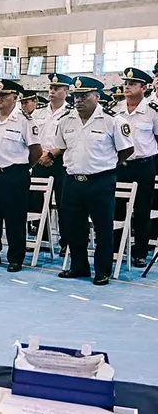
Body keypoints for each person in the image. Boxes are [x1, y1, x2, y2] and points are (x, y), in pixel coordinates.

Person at [54, 76, 134, 285]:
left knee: (103, 228)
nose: (78, 100)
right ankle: (79, 267)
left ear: (97, 97)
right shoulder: (65, 121)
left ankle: (102, 271)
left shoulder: (112, 121)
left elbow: (126, 149)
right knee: (73, 227)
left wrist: (108, 166)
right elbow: (62, 147)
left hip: (100, 181)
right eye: (76, 96)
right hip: (72, 181)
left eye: (84, 96)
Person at [0, 79, 42, 272]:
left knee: (15, 218)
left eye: (4, 95)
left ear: (15, 97)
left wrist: (20, 169)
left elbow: (36, 151)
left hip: (14, 174)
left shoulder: (24, 121)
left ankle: (15, 258)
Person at [115, 67, 158, 267]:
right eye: (126, 83)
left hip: (143, 166)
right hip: (121, 166)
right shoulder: (116, 110)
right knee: (116, 209)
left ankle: (139, 252)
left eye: (132, 84)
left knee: (142, 210)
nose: (127, 87)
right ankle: (115, 248)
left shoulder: (152, 111)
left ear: (144, 88)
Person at [31, 73, 73, 252]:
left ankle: (65, 242)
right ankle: (43, 239)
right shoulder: (39, 112)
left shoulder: (71, 112)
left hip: (61, 161)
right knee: (37, 203)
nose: (52, 91)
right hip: (40, 161)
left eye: (57, 89)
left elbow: (70, 139)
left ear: (66, 91)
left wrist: (52, 155)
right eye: (51, 88)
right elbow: (33, 136)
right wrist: (41, 155)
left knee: (64, 203)